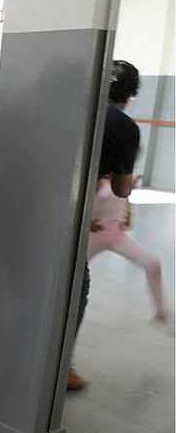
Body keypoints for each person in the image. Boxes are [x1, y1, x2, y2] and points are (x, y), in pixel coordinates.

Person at [70, 60, 143, 391]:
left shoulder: (74, 108)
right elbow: (121, 189)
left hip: (28, 201)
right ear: (129, 95)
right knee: (76, 288)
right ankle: (61, 365)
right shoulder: (124, 126)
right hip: (69, 215)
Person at [88, 176, 168, 321]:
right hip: (95, 235)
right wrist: (86, 222)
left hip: (116, 235)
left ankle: (161, 311)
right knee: (73, 271)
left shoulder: (122, 174)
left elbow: (124, 195)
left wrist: (129, 213)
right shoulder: (98, 176)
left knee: (153, 264)